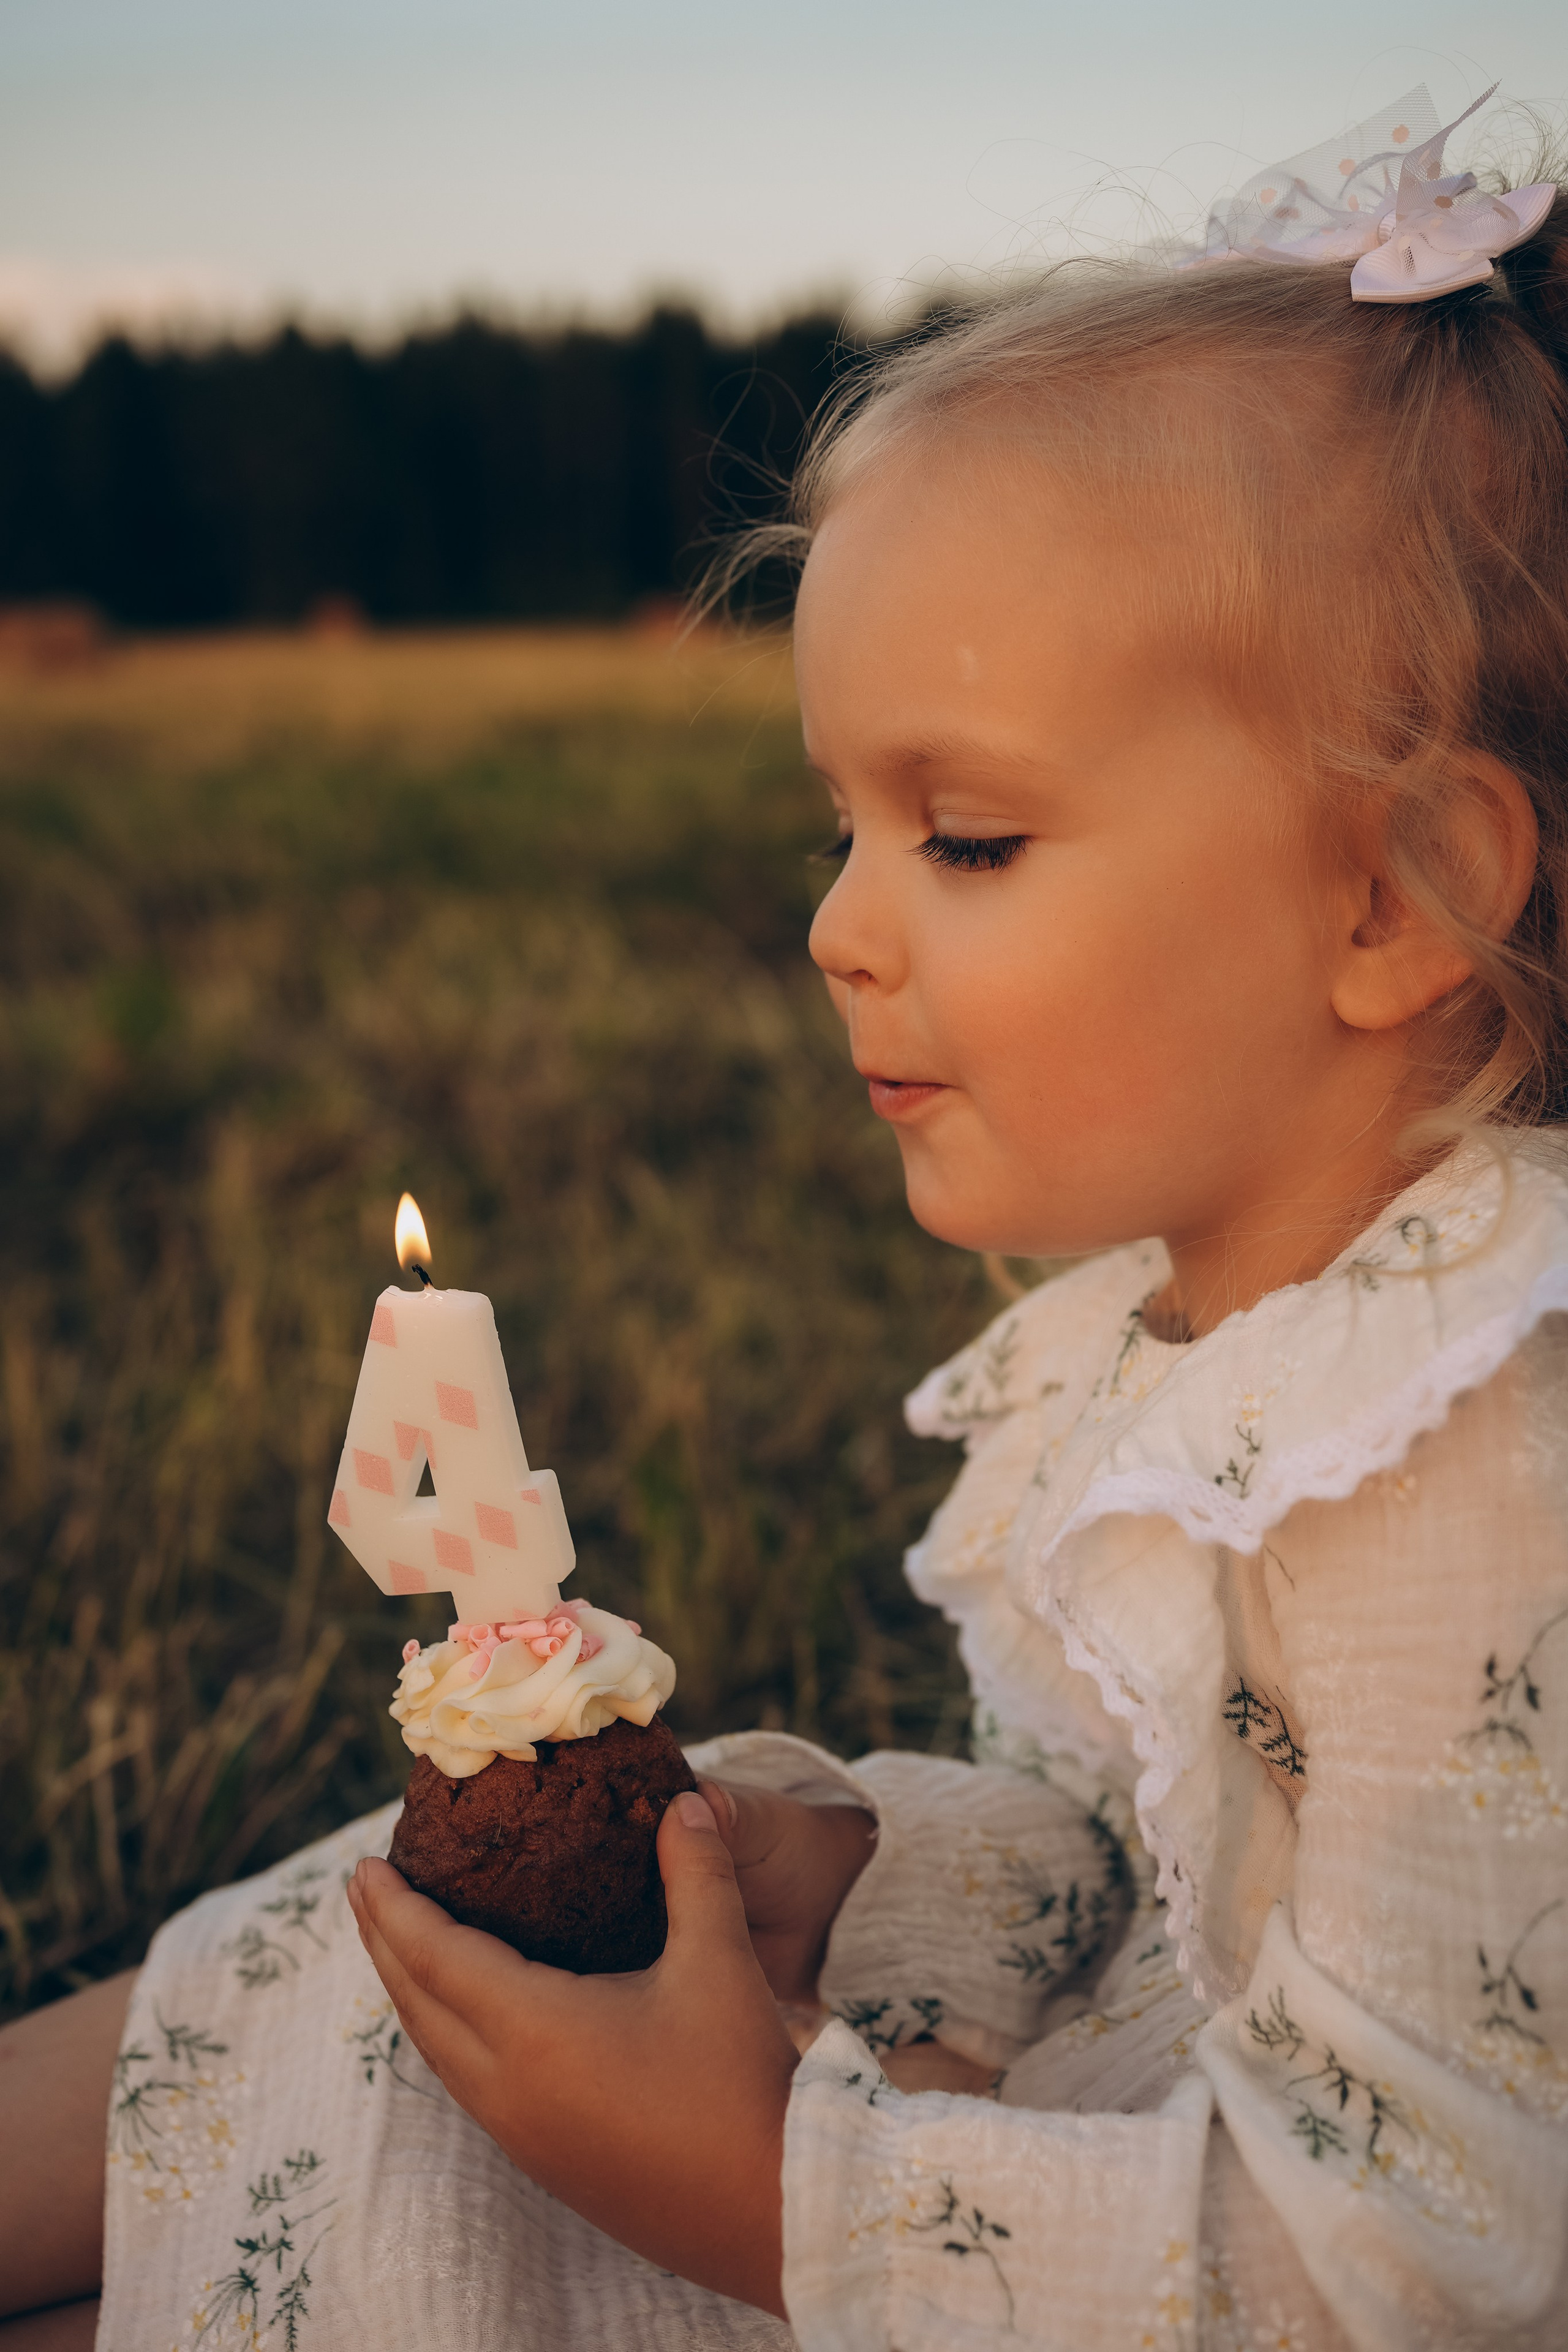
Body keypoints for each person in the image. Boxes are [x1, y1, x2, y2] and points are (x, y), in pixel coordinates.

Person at [5, 81, 1568, 2351]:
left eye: (967, 838)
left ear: (1398, 893)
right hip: (1041, 2146)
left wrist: (772, 2195)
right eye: (842, 828)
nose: (839, 928)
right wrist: (869, 1883)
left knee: (436, 2240)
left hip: (1089, 2270)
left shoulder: (1475, 1457)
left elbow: (1424, 2274)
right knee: (393, 1958)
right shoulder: (1212, 1332)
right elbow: (1133, 1847)